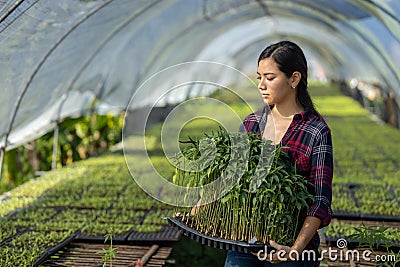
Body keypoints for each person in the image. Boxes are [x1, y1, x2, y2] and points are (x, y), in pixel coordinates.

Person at [224, 41, 333, 267]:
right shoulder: (251, 124)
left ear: (294, 79)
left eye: (270, 78)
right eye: (259, 77)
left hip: (292, 245)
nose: (261, 85)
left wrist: (294, 250)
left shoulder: (316, 131)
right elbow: (231, 178)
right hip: (246, 242)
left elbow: (320, 200)